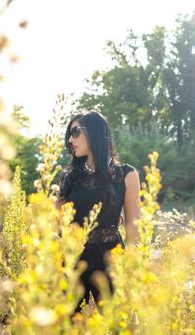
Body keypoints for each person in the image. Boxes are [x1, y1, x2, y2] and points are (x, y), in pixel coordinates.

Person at [56, 111, 141, 312]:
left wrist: (133, 270)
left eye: (75, 132)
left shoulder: (127, 175)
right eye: (69, 134)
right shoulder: (68, 178)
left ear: (94, 132)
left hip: (111, 259)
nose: (70, 139)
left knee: (120, 326)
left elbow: (132, 229)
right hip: (73, 261)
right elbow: (56, 223)